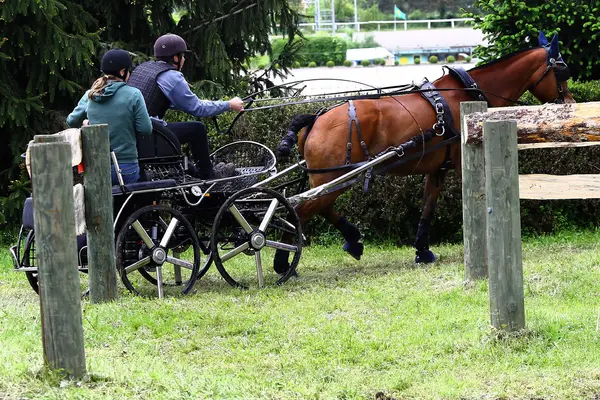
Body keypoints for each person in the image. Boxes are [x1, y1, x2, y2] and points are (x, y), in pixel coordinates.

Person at [127, 33, 244, 179]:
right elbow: (197, 109)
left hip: (133, 132)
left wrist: (205, 102)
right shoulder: (171, 76)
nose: (184, 59)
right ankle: (209, 176)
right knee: (197, 129)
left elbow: (160, 100)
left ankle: (195, 172)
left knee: (181, 131)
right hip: (150, 135)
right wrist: (229, 104)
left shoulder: (143, 68)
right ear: (175, 58)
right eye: (182, 55)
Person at [67, 49, 152, 185]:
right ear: (122, 72)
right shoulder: (134, 94)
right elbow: (146, 129)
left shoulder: (91, 94)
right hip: (126, 165)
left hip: (96, 166)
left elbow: (71, 121)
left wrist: (88, 122)